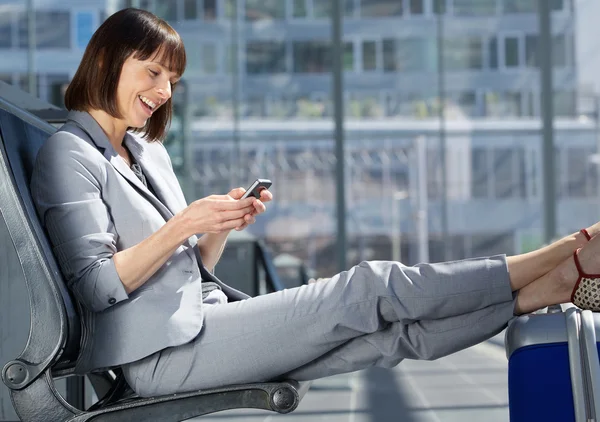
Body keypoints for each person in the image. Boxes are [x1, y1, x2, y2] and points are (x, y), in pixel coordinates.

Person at [30, 8, 600, 398]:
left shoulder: (145, 151)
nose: (163, 93)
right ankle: (560, 255)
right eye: (153, 72)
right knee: (370, 287)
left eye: (172, 80)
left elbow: (188, 272)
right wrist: (183, 223)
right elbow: (96, 286)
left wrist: (218, 229)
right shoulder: (69, 154)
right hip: (158, 354)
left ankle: (542, 292)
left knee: (387, 337)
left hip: (203, 319)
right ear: (106, 63)